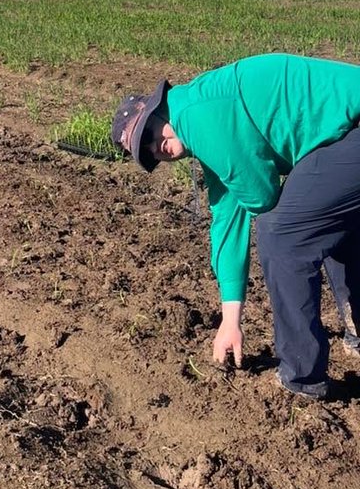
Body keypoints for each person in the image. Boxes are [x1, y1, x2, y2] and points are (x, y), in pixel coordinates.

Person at [112, 53, 360, 399]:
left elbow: (260, 196)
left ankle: (302, 378)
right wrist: (231, 321)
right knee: (319, 218)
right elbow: (227, 222)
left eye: (152, 135)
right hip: (344, 136)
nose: (158, 148)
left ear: (160, 110)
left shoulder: (195, 115)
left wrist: (248, 200)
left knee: (282, 232)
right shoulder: (201, 118)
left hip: (352, 129)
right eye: (150, 153)